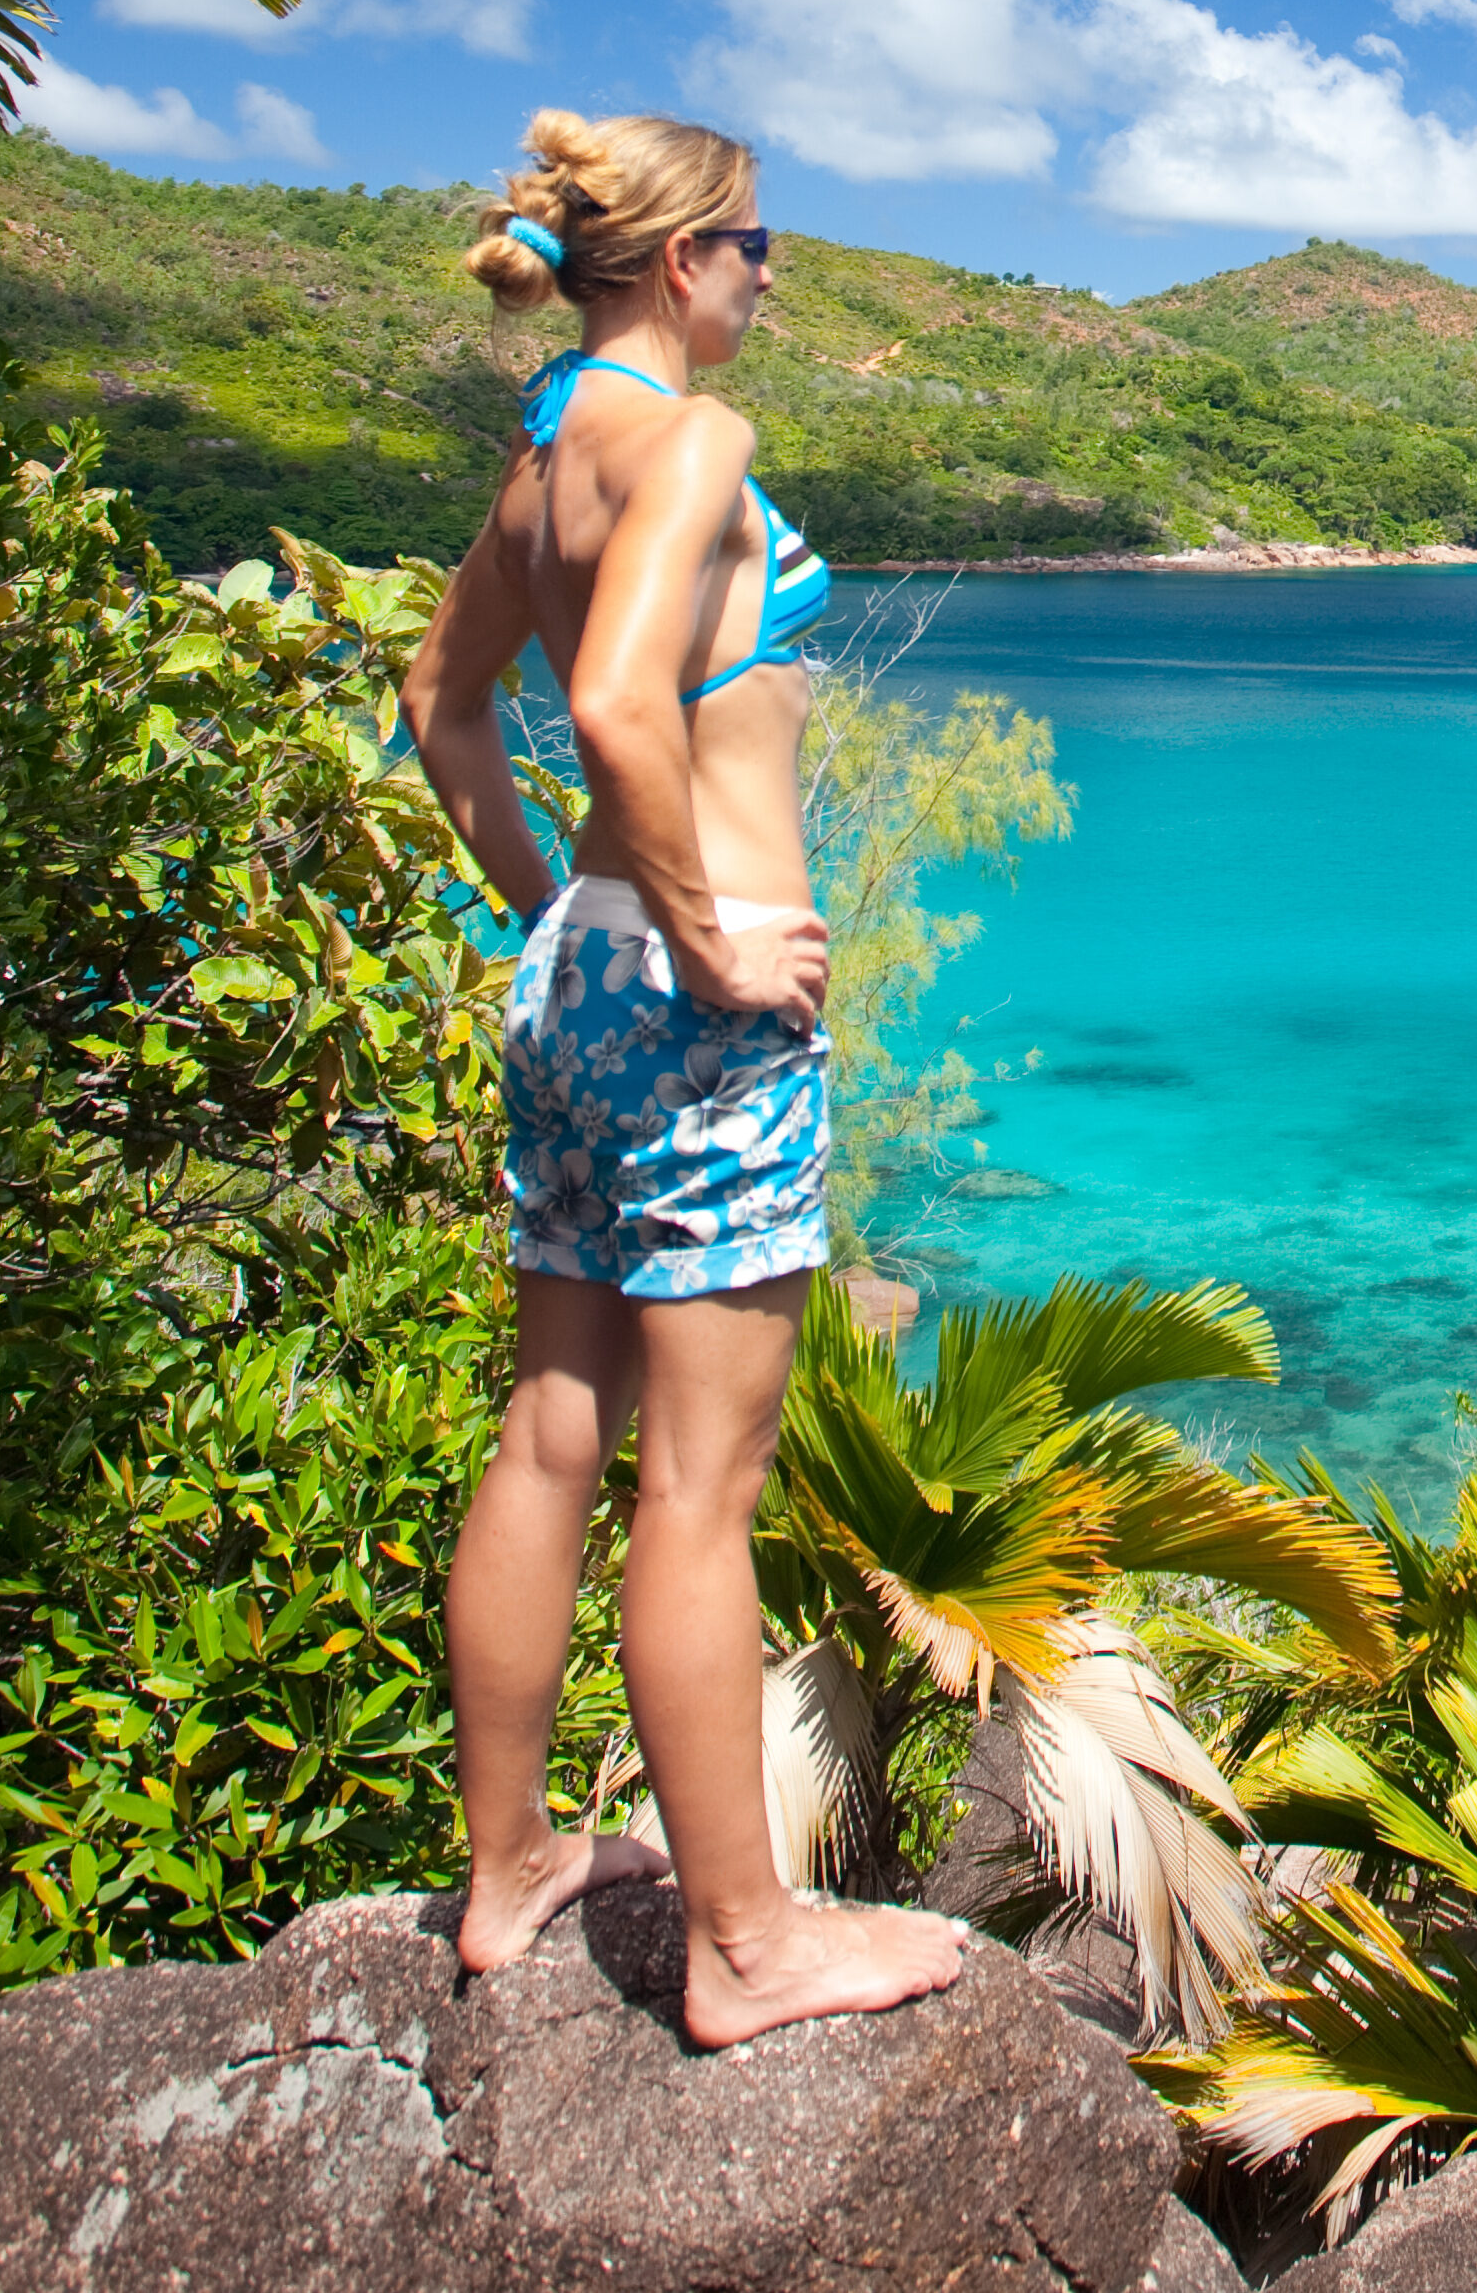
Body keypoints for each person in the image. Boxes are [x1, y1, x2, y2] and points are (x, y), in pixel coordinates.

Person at [398, 112, 966, 2042]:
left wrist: (565, 907)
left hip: (572, 986)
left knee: (554, 1428)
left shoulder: (547, 458)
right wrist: (709, 935)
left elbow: (440, 701)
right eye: (754, 243)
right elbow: (620, 704)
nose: (771, 275)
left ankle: (507, 1873)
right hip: (706, 1010)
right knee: (699, 1492)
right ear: (671, 262)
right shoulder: (692, 442)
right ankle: (744, 1945)